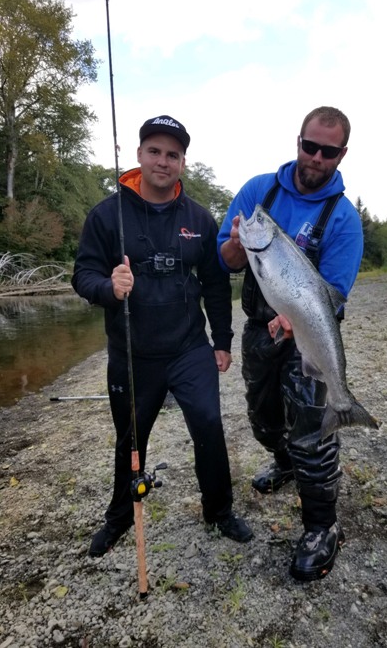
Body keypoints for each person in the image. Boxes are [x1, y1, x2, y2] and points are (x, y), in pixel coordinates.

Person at [72, 115, 253, 557]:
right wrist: (108, 289)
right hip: (133, 354)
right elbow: (83, 275)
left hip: (190, 348)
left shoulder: (199, 218)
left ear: (182, 163)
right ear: (139, 155)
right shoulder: (105, 215)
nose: (163, 161)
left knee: (209, 425)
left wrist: (223, 342)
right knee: (131, 439)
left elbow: (215, 282)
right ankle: (118, 517)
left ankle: (219, 511)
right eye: (154, 150)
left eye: (173, 154)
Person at [217, 106, 363, 582]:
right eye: (310, 146)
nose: (316, 157)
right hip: (260, 329)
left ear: (341, 153)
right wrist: (238, 247)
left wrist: (294, 319)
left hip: (309, 334)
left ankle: (323, 526)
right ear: (298, 141)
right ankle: (282, 463)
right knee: (262, 418)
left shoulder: (343, 218)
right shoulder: (260, 191)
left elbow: (333, 296)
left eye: (328, 150)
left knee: (310, 435)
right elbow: (227, 258)